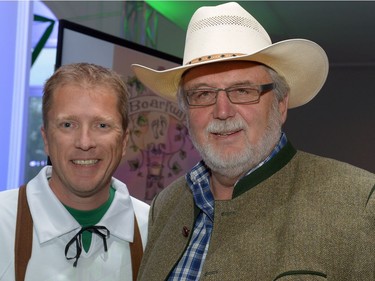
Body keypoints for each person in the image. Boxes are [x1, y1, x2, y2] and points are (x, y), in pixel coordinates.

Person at [131, 2, 375, 280]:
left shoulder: (359, 203)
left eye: (243, 90)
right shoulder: (165, 205)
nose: (222, 111)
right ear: (186, 113)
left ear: (280, 104)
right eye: (202, 94)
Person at [0, 63, 149, 281]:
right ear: (46, 139)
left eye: (102, 126)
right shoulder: (3, 221)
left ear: (124, 141)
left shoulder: (153, 230)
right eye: (68, 125)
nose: (85, 142)